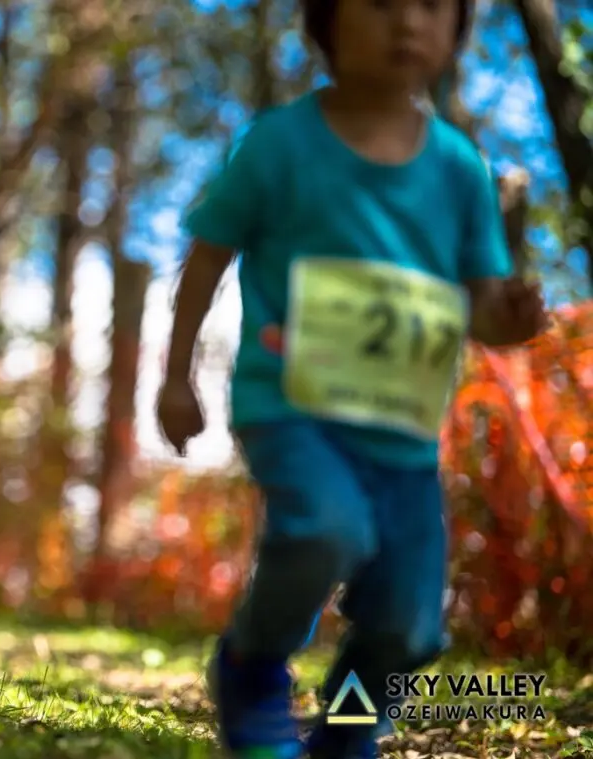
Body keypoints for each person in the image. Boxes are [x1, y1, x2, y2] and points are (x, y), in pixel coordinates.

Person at [156, 0, 548, 755]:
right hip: (292, 406)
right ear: (326, 22)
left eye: (432, 7)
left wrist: (516, 320)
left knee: (409, 621)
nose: (407, 23)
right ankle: (252, 666)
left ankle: (345, 731)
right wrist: (177, 378)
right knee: (324, 528)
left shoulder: (460, 168)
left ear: (457, 31)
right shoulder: (277, 145)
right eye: (379, 4)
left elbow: (483, 311)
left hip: (402, 432)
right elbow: (206, 255)